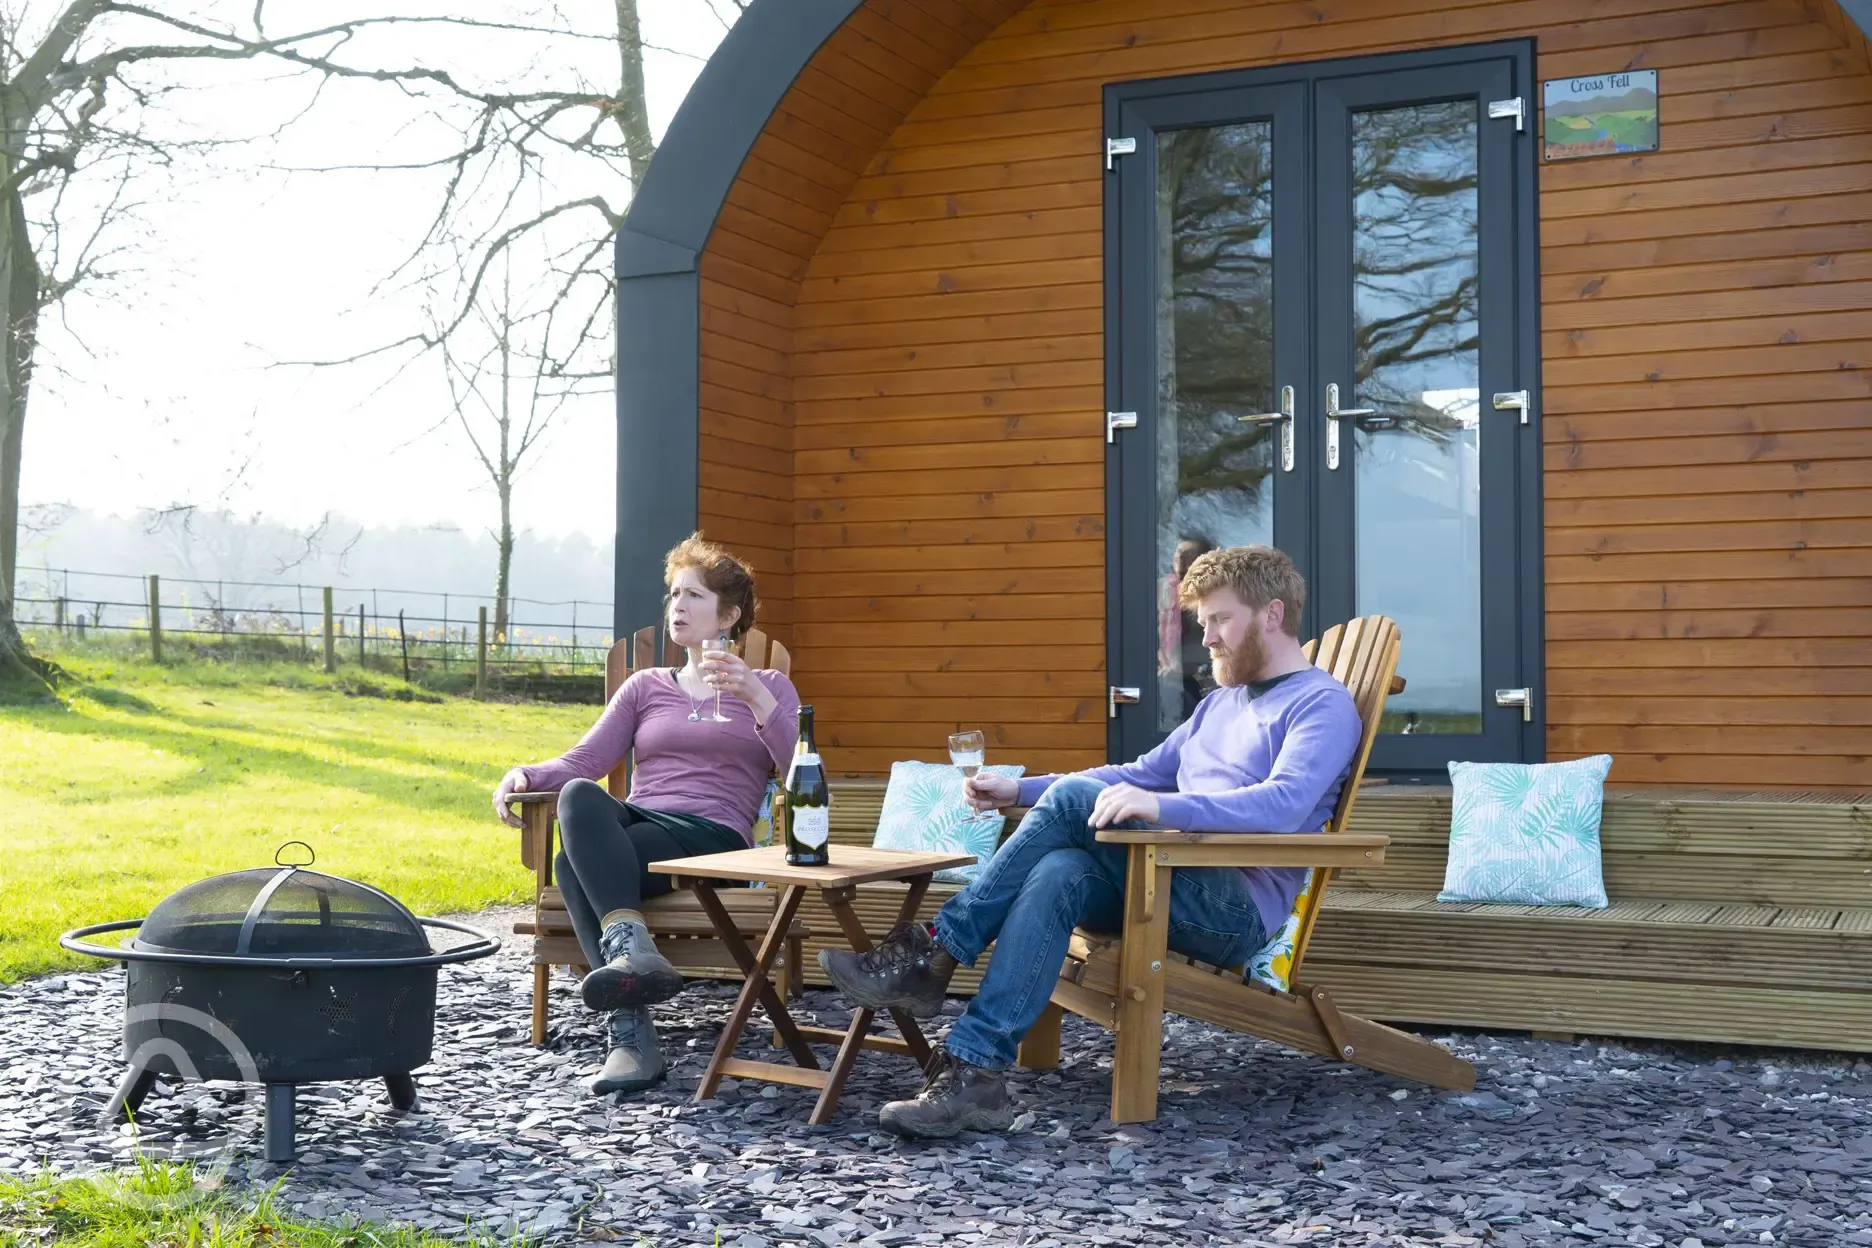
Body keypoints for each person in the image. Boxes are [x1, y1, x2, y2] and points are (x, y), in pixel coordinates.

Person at [819, 545, 1363, 1139]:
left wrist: (1160, 806)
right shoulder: (1218, 706)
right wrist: (1021, 790)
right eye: (1201, 623)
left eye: (1219, 620)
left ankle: (936, 950)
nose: (1205, 638)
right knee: (1059, 871)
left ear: (1273, 614)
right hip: (1165, 876)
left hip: (1234, 906)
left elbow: (1283, 804)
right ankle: (976, 1073)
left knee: (1077, 803)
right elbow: (1135, 772)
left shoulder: (1322, 704)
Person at [492, 533, 799, 1096]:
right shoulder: (645, 687)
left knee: (570, 868)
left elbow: (797, 771)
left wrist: (755, 697)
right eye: (674, 595)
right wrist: (525, 775)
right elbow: (585, 761)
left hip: (714, 836)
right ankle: (633, 954)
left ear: (728, 615)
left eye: (694, 596)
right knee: (581, 796)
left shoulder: (772, 687)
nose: (677, 607)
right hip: (639, 829)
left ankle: (631, 1042)